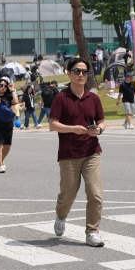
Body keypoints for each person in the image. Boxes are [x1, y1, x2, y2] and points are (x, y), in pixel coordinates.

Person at [50, 58, 106, 247]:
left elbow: (101, 122)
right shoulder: (61, 98)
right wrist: (73, 129)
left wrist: (99, 130)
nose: (81, 75)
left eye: (84, 71)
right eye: (77, 71)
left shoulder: (94, 98)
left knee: (95, 192)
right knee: (67, 195)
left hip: (91, 151)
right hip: (68, 154)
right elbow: (53, 124)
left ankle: (92, 231)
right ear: (69, 74)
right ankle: (61, 216)